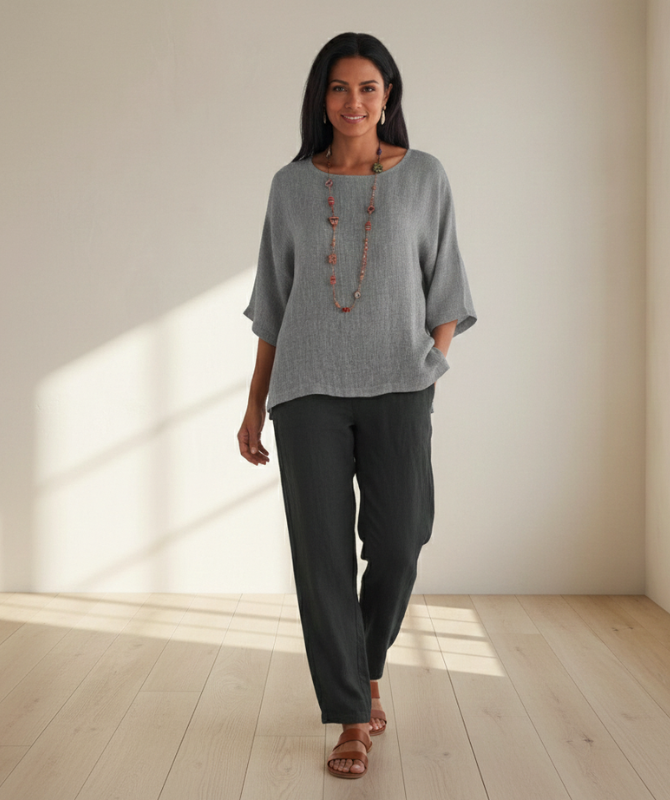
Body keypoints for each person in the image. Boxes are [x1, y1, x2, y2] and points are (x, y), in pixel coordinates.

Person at [238, 31, 476, 779]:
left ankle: (364, 666)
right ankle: (350, 714)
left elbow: (448, 285)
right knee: (323, 557)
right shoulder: (290, 185)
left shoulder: (425, 177)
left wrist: (433, 358)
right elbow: (274, 306)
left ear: (389, 96)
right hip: (305, 389)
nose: (354, 102)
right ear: (322, 98)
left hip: (401, 384)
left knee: (402, 539)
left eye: (368, 88)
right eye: (339, 88)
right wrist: (253, 405)